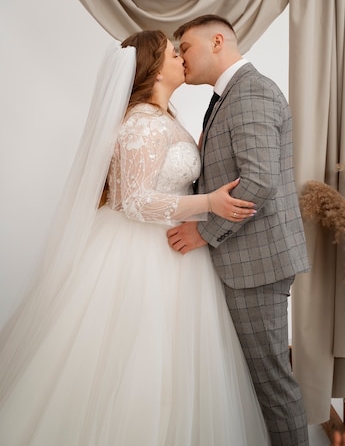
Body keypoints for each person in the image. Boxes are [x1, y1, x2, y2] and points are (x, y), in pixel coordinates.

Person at [0, 30, 271, 446]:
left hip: (177, 248)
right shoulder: (141, 123)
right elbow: (135, 201)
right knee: (138, 361)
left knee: (179, 366)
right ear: (153, 68)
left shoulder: (165, 118)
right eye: (171, 52)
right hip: (142, 252)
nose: (181, 57)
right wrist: (209, 205)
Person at [167, 15, 311, 446]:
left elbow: (259, 181)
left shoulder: (251, 93)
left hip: (256, 264)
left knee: (271, 383)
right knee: (253, 378)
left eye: (185, 48)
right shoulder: (230, 94)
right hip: (246, 259)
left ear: (217, 41)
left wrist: (203, 232)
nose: (181, 58)